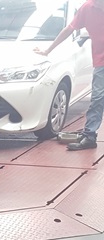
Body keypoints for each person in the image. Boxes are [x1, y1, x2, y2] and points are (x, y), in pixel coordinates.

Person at [35, 0, 104, 151]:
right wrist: (48, 50)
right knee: (97, 99)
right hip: (101, 63)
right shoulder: (87, 8)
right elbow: (69, 29)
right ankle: (89, 136)